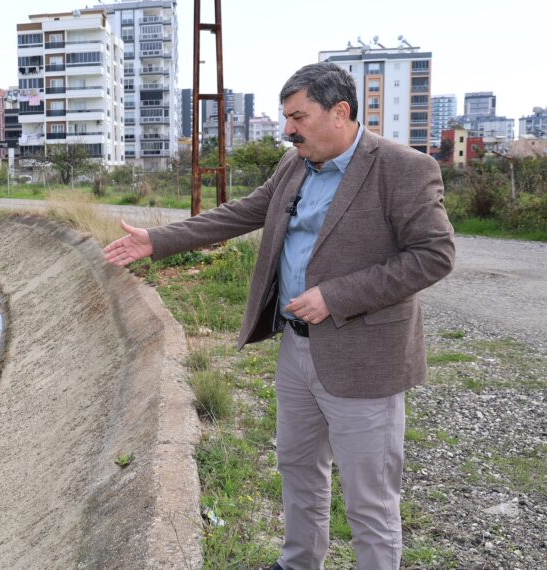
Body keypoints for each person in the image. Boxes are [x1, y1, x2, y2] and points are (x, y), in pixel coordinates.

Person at [104, 62, 454, 569]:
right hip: (297, 349)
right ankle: (298, 564)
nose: (288, 130)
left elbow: (434, 255)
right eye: (285, 118)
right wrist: (158, 240)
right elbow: (242, 212)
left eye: (298, 117)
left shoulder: (403, 168)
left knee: (369, 497)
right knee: (297, 467)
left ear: (340, 112)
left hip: (364, 358)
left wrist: (336, 295)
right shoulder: (295, 165)